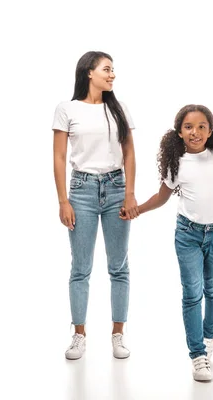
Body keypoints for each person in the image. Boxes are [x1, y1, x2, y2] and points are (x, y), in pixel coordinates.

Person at [120, 104, 213, 381]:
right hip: (188, 235)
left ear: (210, 131)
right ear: (179, 132)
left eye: (202, 126)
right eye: (189, 127)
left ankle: (209, 338)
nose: (195, 132)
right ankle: (197, 355)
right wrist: (137, 210)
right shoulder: (176, 163)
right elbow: (162, 197)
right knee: (192, 293)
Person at [52, 51, 139, 361]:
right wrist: (64, 200)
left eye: (113, 70)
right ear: (89, 72)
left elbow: (129, 153)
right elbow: (60, 158)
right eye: (106, 69)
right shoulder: (67, 109)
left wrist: (130, 194)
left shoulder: (119, 109)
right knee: (81, 268)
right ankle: (79, 334)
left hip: (116, 189)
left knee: (119, 266)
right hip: (82, 190)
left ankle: (118, 334)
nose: (112, 74)